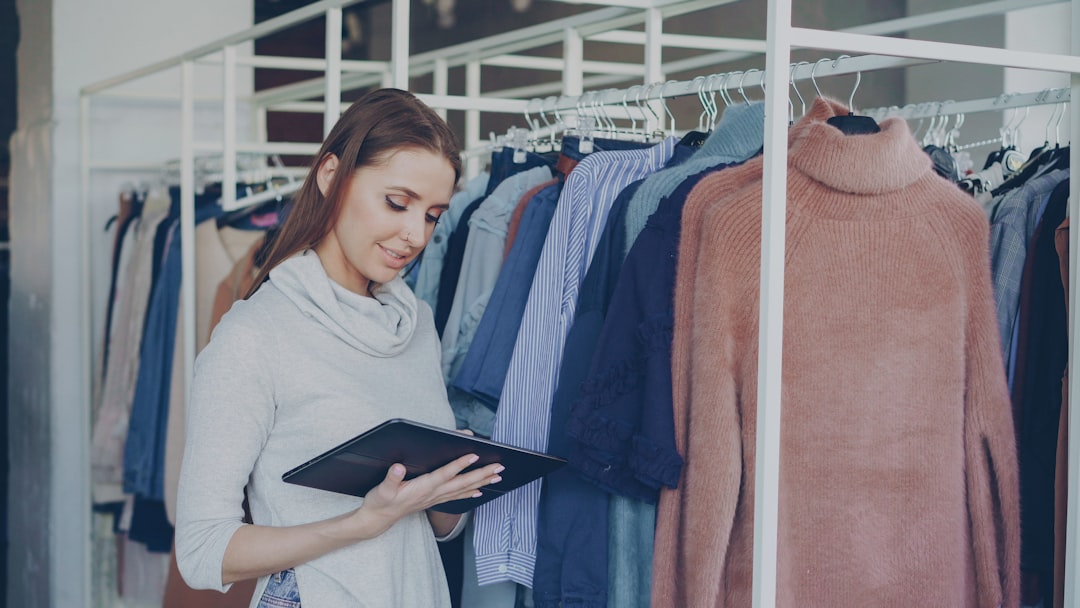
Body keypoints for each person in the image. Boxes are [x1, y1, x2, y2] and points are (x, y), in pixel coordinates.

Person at [175, 88, 505, 607]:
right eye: (397, 203)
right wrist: (362, 522)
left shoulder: (414, 323)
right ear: (331, 176)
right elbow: (201, 552)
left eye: (433, 215)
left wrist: (450, 486)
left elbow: (437, 529)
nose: (415, 234)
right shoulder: (254, 336)